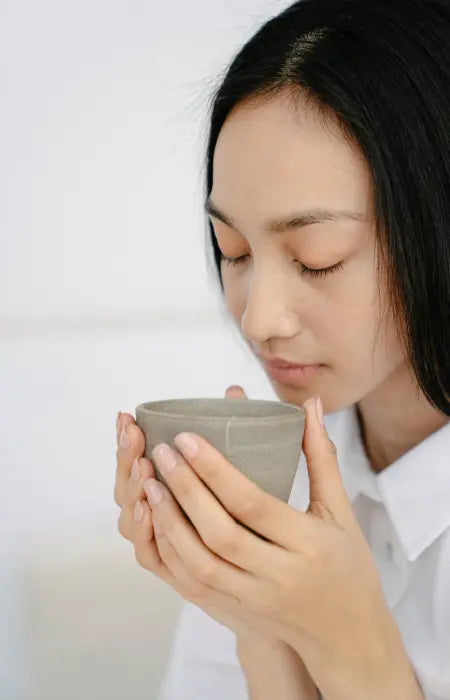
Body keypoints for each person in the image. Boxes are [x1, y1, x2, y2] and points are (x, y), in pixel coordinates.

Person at [113, 0, 450, 697]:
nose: (259, 318)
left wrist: (352, 645)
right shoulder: (266, 495)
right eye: (232, 249)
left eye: (318, 257)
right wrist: (256, 623)